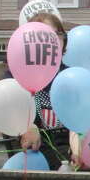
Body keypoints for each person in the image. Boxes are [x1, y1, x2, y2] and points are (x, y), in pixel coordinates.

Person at [28, 12, 75, 169]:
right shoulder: (21, 75)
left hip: (71, 148)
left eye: (54, 35)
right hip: (35, 151)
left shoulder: (73, 77)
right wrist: (26, 125)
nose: (49, 42)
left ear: (64, 40)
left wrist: (78, 145)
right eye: (42, 36)